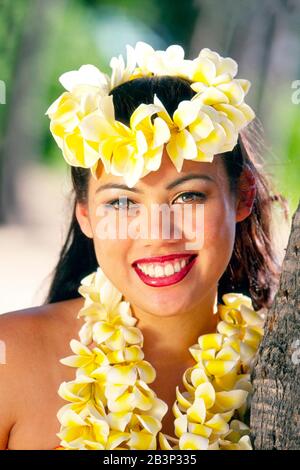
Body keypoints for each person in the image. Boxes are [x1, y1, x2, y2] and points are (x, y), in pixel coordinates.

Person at [0, 43, 287, 450]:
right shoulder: (8, 361)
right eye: (121, 202)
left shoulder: (283, 368)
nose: (157, 233)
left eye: (188, 196)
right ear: (85, 215)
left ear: (242, 197)